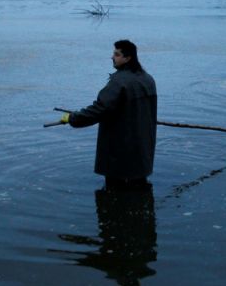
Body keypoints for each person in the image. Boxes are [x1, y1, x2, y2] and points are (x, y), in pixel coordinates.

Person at [60, 40, 157, 190]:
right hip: (142, 148)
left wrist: (73, 118)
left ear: (128, 58)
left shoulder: (119, 82)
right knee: (139, 188)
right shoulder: (148, 79)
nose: (112, 57)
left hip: (120, 150)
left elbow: (100, 109)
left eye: (117, 54)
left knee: (115, 190)